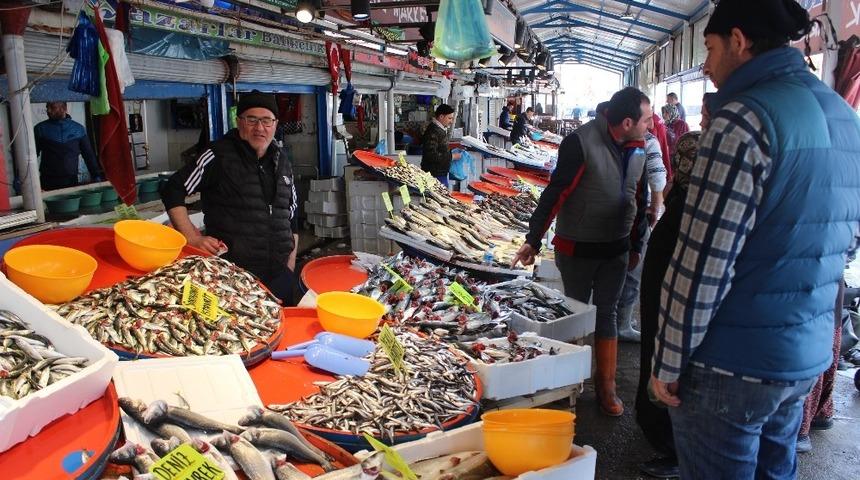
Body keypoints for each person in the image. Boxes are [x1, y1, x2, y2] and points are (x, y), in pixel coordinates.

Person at [649, 1, 860, 478]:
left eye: (709, 48)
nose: (706, 65)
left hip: (730, 363)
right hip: (801, 357)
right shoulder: (842, 115)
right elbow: (841, 244)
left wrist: (667, 359)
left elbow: (703, 262)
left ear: (738, 42)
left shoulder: (743, 118)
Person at [512, 87, 650, 417]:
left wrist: (636, 243)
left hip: (616, 249)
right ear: (627, 121)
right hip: (577, 249)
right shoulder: (580, 142)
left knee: (608, 314)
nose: (651, 124)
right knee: (574, 313)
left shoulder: (639, 147)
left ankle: (607, 386)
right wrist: (534, 239)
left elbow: (639, 199)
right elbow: (556, 193)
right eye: (647, 119)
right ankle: (570, 382)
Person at [635, 93, 712, 479]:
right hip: (666, 298)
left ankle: (671, 447)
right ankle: (667, 440)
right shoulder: (693, 201)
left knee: (666, 363)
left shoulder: (690, 207)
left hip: (672, 305)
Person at [161, 91, 300, 304]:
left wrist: (289, 266)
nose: (259, 128)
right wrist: (192, 238)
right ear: (238, 122)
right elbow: (173, 189)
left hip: (280, 276)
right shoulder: (218, 155)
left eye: (266, 121)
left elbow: (292, 216)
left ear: (275, 123)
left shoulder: (283, 161)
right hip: (233, 278)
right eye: (252, 120)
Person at [615, 114, 667, 343]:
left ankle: (616, 319)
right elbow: (657, 179)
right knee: (634, 271)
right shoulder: (648, 142)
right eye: (647, 119)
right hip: (639, 215)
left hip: (616, 216)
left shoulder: (616, 140)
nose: (651, 124)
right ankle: (622, 324)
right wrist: (656, 207)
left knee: (617, 270)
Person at [34, 101, 102, 190]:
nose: (48, 110)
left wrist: (96, 175)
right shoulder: (40, 129)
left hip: (71, 180)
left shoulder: (78, 129)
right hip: (47, 180)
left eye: (52, 107)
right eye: (47, 107)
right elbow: (32, 156)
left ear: (64, 109)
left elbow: (88, 155)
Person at [421, 104, 460, 188]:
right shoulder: (433, 131)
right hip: (434, 175)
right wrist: (451, 156)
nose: (451, 121)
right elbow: (431, 155)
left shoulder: (439, 129)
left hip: (440, 173)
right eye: (449, 118)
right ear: (441, 116)